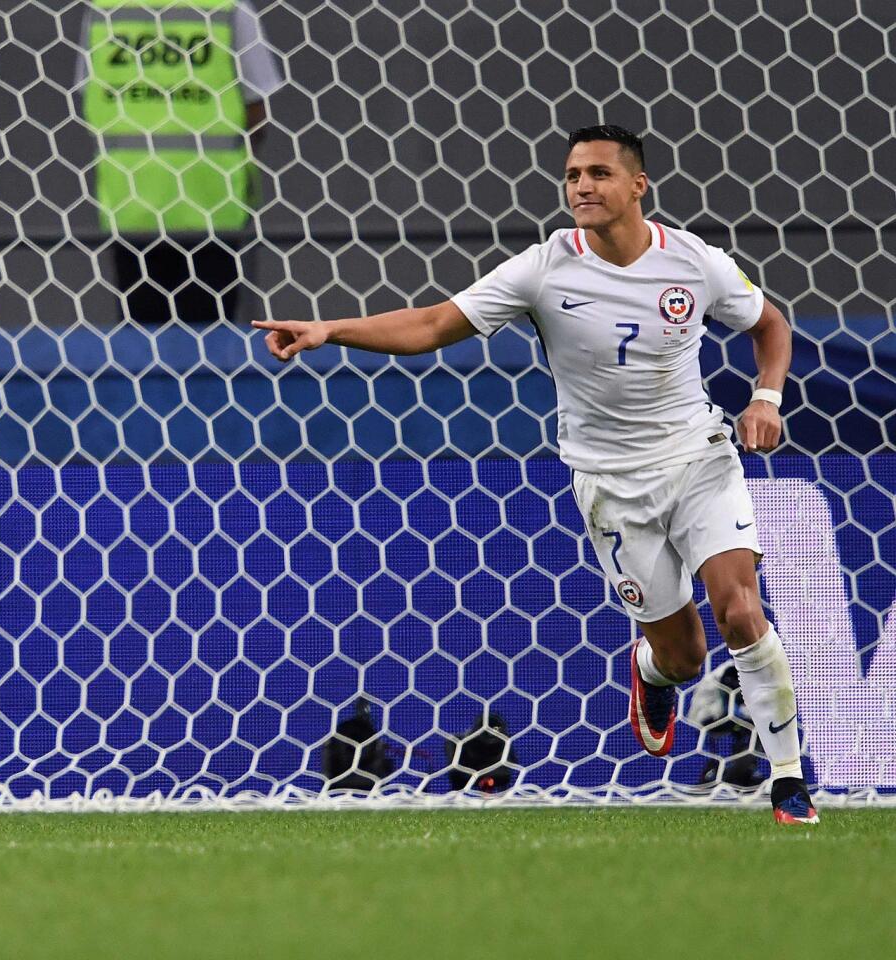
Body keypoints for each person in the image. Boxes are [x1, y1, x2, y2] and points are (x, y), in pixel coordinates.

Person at [253, 124, 819, 825]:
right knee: (683, 654)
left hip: (698, 456)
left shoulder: (693, 262)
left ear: (637, 185)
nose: (581, 185)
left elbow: (769, 324)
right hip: (609, 483)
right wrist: (327, 329)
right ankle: (648, 672)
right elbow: (431, 325)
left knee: (739, 609)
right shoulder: (542, 268)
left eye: (599, 174)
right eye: (572, 174)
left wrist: (765, 397)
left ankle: (789, 781)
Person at [76, 0, 281, 324]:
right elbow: (257, 110)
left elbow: (92, 96)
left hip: (132, 202)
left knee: (141, 344)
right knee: (211, 345)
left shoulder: (105, 11)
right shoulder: (229, 9)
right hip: (212, 201)